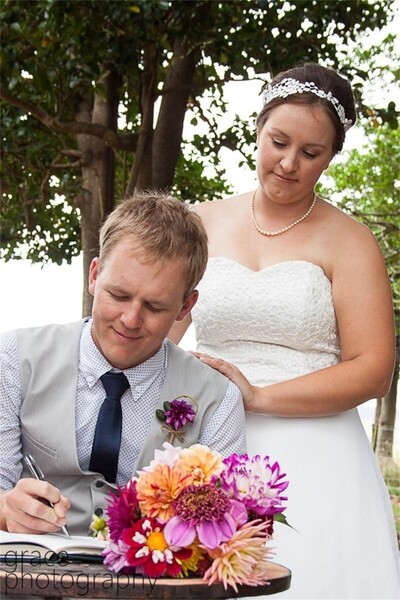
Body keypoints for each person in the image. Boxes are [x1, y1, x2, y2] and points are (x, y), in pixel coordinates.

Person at [169, 63, 400, 599]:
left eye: (311, 153)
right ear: (258, 128)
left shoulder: (351, 242)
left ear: (331, 157)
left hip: (319, 455)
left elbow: (374, 369)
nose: (289, 163)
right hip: (208, 444)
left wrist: (259, 396)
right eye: (278, 142)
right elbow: (163, 329)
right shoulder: (199, 223)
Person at [0, 192, 246, 536]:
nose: (130, 319)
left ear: (185, 307)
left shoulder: (218, 399)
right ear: (95, 275)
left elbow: (225, 523)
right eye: (118, 295)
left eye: (155, 307)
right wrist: (5, 508)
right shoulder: (13, 357)